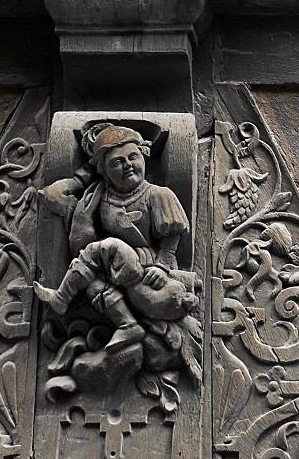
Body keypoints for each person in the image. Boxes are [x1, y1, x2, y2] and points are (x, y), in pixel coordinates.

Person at [34, 123, 196, 350]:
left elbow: (173, 234)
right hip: (113, 270)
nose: (128, 165)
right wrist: (81, 179)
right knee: (88, 279)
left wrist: (162, 266)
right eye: (117, 162)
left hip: (147, 272)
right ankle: (127, 324)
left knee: (106, 247)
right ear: (104, 170)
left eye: (133, 157)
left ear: (144, 157)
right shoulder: (98, 195)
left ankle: (61, 298)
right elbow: (52, 196)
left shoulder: (158, 194)